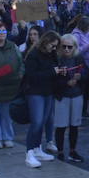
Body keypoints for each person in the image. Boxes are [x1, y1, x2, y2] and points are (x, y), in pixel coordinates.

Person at [20, 31, 59, 168]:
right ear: (46, 42)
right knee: (36, 122)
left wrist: (59, 71)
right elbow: (32, 75)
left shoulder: (52, 54)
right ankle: (29, 152)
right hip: (35, 92)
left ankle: (37, 149)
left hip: (48, 91)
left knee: (42, 121)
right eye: (52, 46)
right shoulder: (34, 55)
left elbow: (54, 69)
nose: (54, 48)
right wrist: (53, 72)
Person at [52, 33, 87, 162]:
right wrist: (65, 82)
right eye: (64, 46)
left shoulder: (79, 58)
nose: (66, 49)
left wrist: (81, 76)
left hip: (77, 95)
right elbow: (51, 80)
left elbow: (86, 73)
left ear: (75, 47)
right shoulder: (56, 59)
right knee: (60, 125)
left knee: (74, 125)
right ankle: (60, 151)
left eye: (69, 47)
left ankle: (73, 150)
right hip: (62, 96)